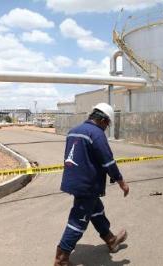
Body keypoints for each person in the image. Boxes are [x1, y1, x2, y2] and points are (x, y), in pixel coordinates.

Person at [54, 103, 130, 266]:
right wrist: (121, 182)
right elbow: (108, 161)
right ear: (103, 120)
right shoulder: (96, 133)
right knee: (78, 221)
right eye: (107, 124)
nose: (106, 127)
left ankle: (111, 240)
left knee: (96, 211)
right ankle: (61, 259)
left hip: (74, 181)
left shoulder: (74, 130)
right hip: (87, 185)